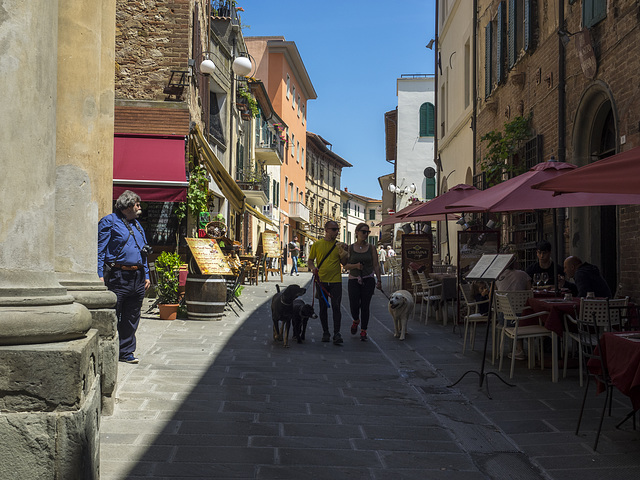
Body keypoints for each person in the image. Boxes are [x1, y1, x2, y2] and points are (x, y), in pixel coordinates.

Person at [98, 190, 151, 364]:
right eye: (137, 204)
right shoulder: (109, 222)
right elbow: (100, 250)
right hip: (118, 275)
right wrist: (99, 274)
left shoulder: (137, 225)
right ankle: (108, 349)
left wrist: (147, 274)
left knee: (132, 316)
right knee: (114, 313)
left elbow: (143, 252)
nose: (139, 207)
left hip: (137, 275)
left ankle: (126, 351)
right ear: (128, 206)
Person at [308, 220, 348, 345]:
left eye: (337, 230)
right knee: (323, 308)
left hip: (336, 280)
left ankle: (337, 333)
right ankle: (325, 332)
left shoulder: (339, 246)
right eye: (334, 229)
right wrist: (313, 268)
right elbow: (310, 260)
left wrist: (345, 252)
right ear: (326, 230)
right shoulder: (317, 245)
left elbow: (345, 263)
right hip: (321, 281)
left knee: (336, 307)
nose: (336, 232)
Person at [345, 223, 383, 341]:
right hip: (354, 279)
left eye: (368, 232)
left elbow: (376, 265)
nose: (366, 234)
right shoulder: (350, 248)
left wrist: (379, 280)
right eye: (363, 232)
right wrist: (355, 265)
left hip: (368, 279)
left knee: (365, 306)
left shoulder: (371, 247)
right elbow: (345, 265)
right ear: (357, 232)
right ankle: (356, 320)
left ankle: (363, 330)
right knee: (354, 304)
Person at [496, 249, 531, 361]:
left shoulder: (497, 277)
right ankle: (523, 348)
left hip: (504, 317)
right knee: (522, 311)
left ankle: (518, 349)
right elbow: (529, 294)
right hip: (524, 318)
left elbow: (493, 295)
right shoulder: (523, 275)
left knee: (514, 312)